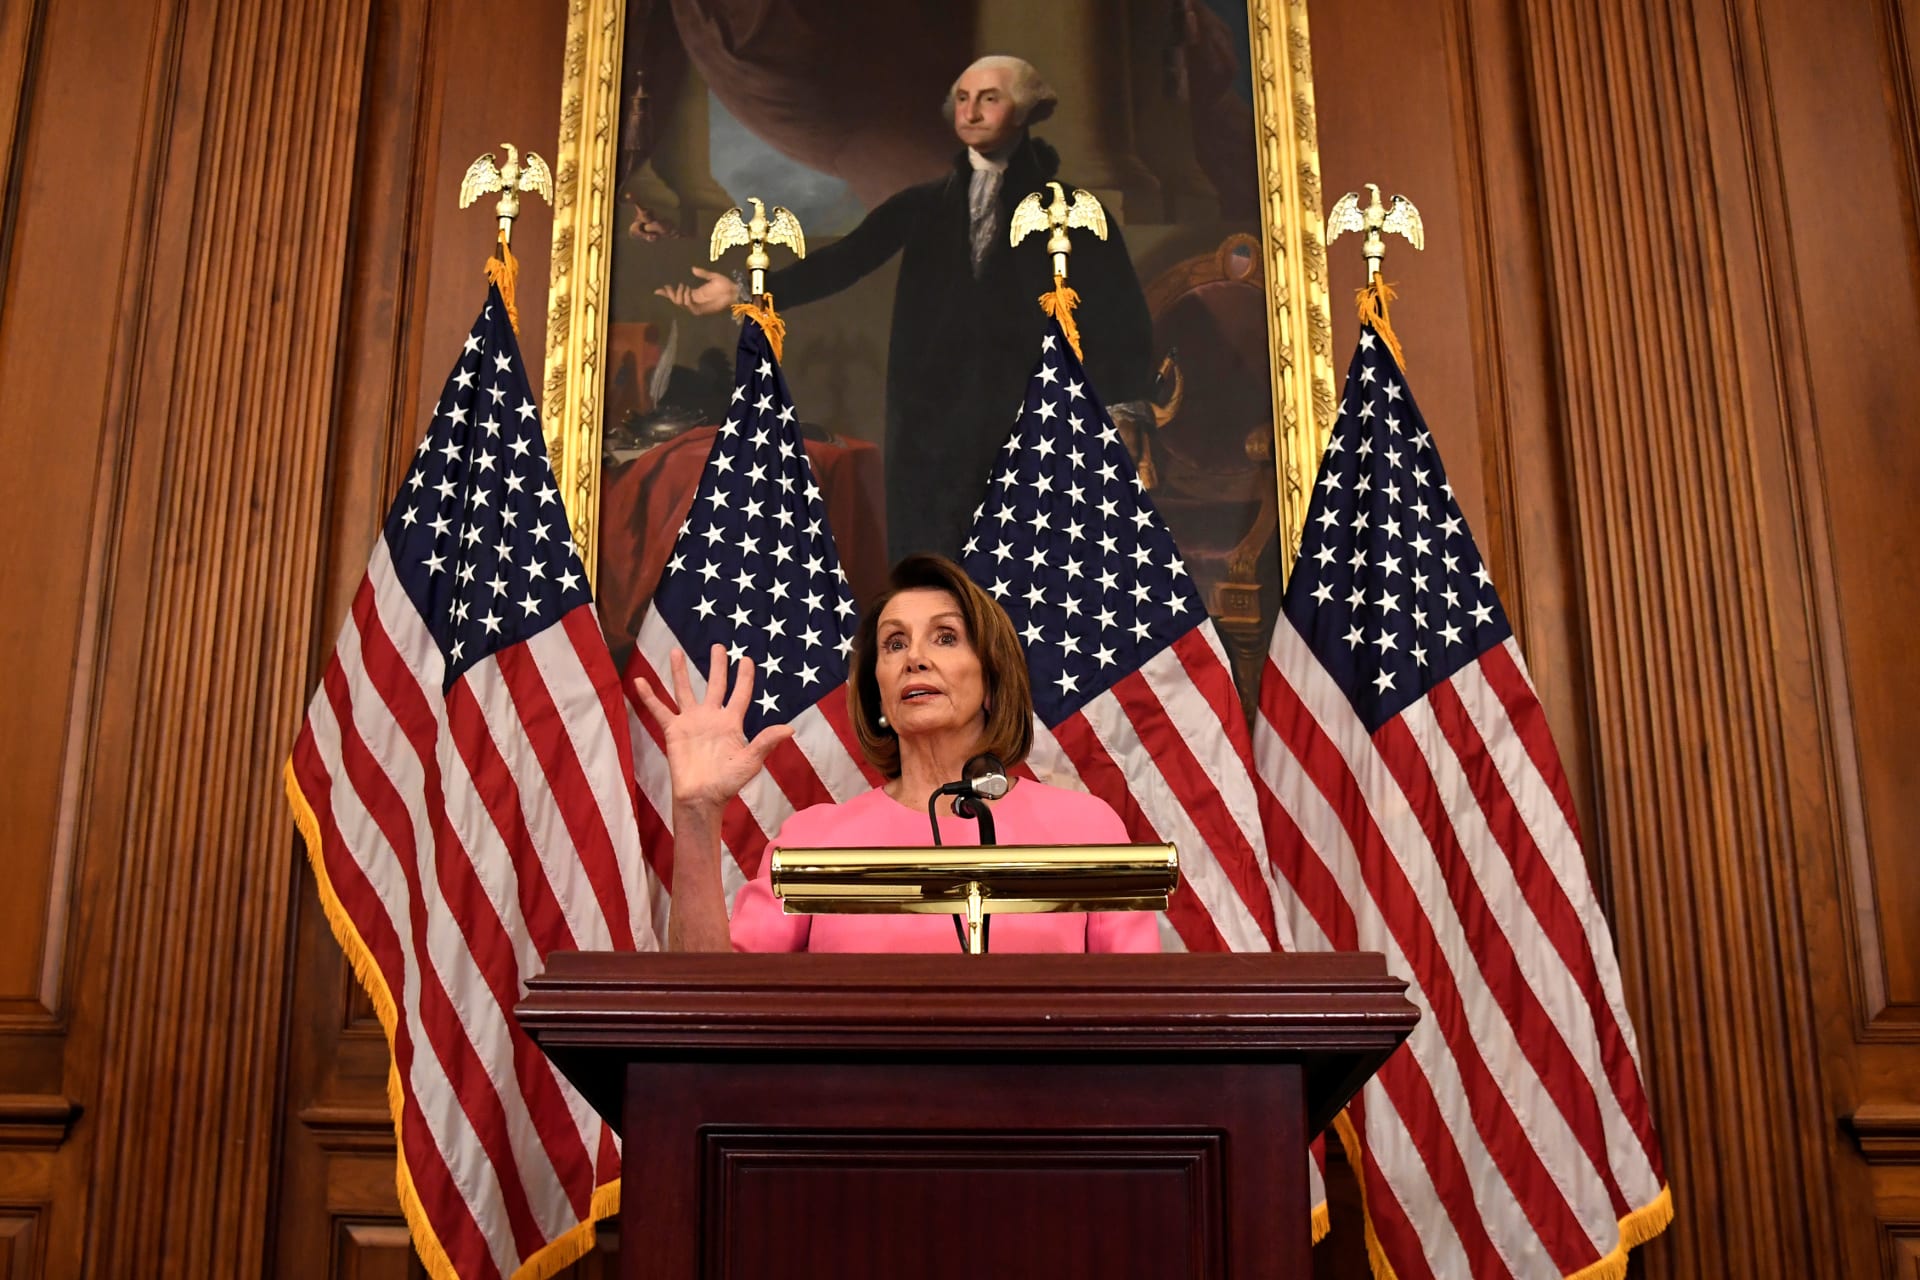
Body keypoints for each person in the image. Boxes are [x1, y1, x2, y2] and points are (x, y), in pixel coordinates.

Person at [656, 56, 1155, 564]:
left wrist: (1123, 410)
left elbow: (1118, 314)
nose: (971, 112)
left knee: (1029, 567)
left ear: (1025, 110)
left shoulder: (1069, 211)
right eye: (963, 99)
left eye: (990, 99)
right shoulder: (924, 204)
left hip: (1032, 421)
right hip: (932, 426)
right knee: (935, 568)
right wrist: (744, 292)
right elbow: (844, 261)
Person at [631, 554, 1162, 953]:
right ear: (879, 693)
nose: (915, 658)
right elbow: (714, 1002)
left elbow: (1135, 1012)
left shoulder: (1085, 828)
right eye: (894, 643)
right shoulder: (815, 842)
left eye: (945, 637)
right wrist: (697, 813)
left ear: (993, 681)